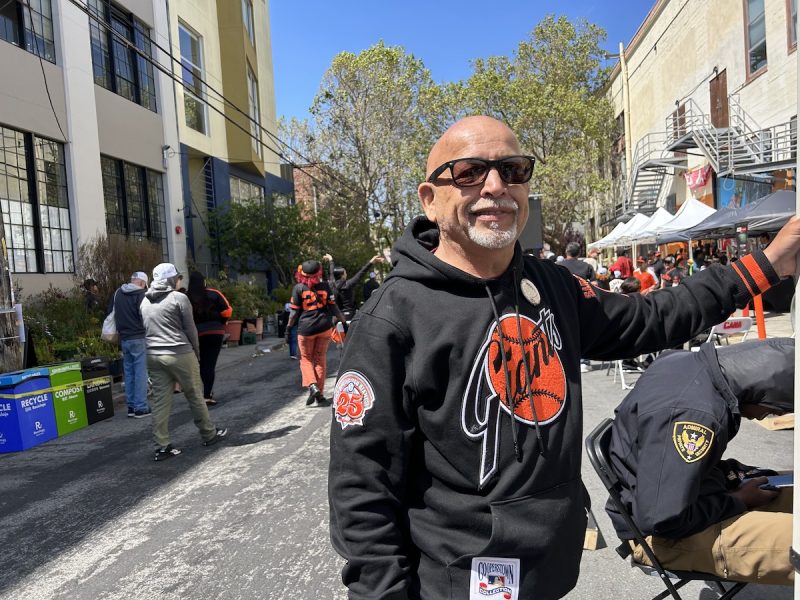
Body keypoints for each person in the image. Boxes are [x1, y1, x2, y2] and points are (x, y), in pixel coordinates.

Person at [327, 115, 800, 599]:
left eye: (512, 169)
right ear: (430, 199)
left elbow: (655, 317)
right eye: (469, 172)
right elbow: (362, 486)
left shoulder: (553, 287)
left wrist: (768, 264)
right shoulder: (393, 317)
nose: (496, 186)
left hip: (551, 568)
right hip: (458, 580)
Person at [607, 339, 794, 586]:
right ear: (761, 392)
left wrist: (731, 474)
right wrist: (739, 500)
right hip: (664, 537)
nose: (770, 416)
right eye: (775, 410)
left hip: (687, 498)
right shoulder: (694, 415)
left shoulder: (691, 366)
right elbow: (662, 520)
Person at [141, 263, 227, 461]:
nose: (179, 280)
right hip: (179, 352)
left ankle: (162, 446)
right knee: (195, 394)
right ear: (172, 279)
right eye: (177, 277)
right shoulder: (179, 298)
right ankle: (208, 434)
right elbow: (190, 329)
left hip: (154, 356)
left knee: (161, 402)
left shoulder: (144, 301)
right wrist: (196, 353)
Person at [285, 260, 347, 406]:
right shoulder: (325, 286)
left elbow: (294, 313)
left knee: (305, 359)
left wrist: (288, 329)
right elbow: (334, 308)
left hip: (306, 328)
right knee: (320, 359)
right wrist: (343, 322)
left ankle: (312, 386)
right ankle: (320, 394)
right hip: (324, 327)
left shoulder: (299, 288)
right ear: (318, 272)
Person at [186, 271, 232, 406]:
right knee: (210, 364)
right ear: (203, 282)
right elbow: (227, 311)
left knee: (201, 364)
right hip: (215, 331)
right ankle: (207, 394)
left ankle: (202, 393)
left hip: (196, 333)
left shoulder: (185, 297)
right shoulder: (214, 293)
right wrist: (223, 322)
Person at [113, 271, 151, 418]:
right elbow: (146, 316)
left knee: (128, 373)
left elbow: (112, 312)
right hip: (139, 337)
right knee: (141, 373)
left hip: (124, 338)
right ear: (142, 283)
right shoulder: (141, 294)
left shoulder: (118, 293)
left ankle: (131, 406)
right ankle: (141, 407)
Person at [329, 254, 384, 320]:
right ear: (342, 275)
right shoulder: (348, 284)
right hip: (350, 316)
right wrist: (371, 262)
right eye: (345, 272)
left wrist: (331, 261)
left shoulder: (332, 285)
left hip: (338, 317)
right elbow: (361, 273)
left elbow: (332, 273)